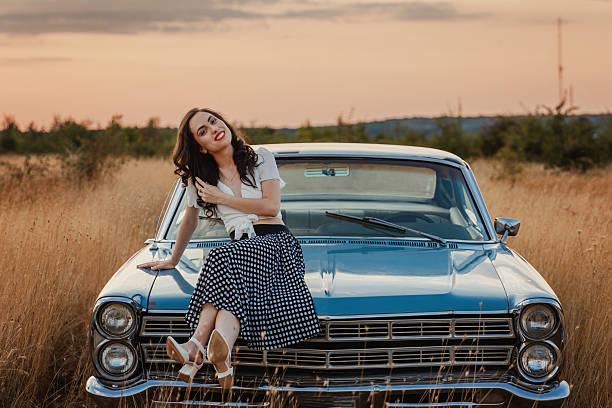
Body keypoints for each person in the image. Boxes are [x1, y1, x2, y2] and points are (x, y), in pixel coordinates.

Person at [137, 108, 321, 389]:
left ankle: (195, 345)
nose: (213, 129)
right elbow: (189, 219)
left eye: (214, 121)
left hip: (276, 244)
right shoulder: (200, 180)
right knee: (229, 289)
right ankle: (220, 359)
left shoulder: (261, 158)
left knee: (220, 255)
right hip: (241, 253)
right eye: (203, 131)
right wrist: (173, 259)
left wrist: (221, 197)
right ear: (201, 146)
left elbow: (271, 206)